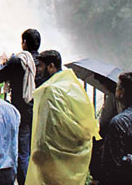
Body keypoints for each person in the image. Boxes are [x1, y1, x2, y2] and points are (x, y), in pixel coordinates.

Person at [26, 50, 98, 185]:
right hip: (73, 154)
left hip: (54, 156)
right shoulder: (73, 84)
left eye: (41, 66)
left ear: (51, 66)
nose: (39, 71)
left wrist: (39, 152)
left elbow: (47, 128)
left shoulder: (51, 91)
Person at [0, 28, 39, 185]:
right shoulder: (42, 62)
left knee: (22, 151)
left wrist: (0, 62)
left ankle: (23, 182)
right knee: (35, 150)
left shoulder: (18, 61)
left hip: (21, 110)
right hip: (39, 111)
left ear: (24, 43)